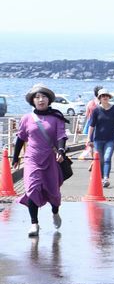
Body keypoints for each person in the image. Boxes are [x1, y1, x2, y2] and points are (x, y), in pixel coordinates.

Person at [11, 84, 69, 237]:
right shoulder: (27, 118)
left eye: (43, 97)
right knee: (32, 190)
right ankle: (34, 224)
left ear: (49, 99)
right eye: (37, 97)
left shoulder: (57, 117)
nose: (40, 99)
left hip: (51, 159)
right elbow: (20, 138)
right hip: (32, 159)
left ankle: (55, 212)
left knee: (54, 192)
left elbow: (61, 136)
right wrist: (16, 157)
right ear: (33, 101)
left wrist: (61, 150)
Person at [86, 88, 114, 188]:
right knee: (100, 159)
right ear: (100, 98)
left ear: (109, 97)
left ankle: (106, 178)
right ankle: (100, 178)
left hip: (111, 139)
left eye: (106, 95)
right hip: (98, 139)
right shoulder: (96, 110)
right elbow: (91, 125)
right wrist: (89, 138)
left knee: (107, 158)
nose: (105, 97)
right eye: (103, 96)